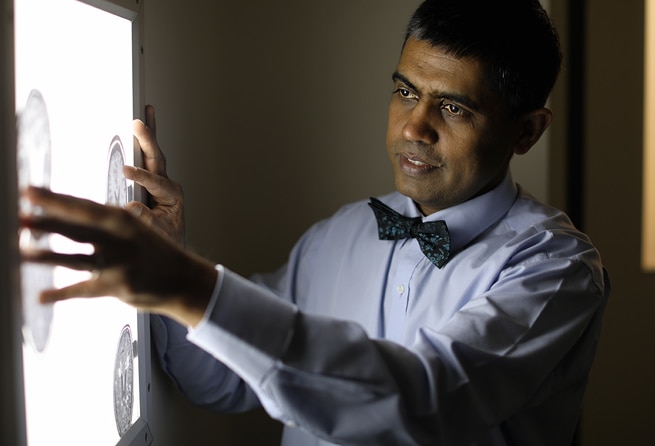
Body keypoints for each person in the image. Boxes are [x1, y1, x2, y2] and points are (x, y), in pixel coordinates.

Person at [20, 0, 610, 444]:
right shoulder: (342, 234)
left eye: (453, 107)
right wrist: (173, 254)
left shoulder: (556, 269)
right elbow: (222, 381)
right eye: (406, 92)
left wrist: (187, 284)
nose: (413, 128)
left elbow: (423, 399)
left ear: (527, 131)